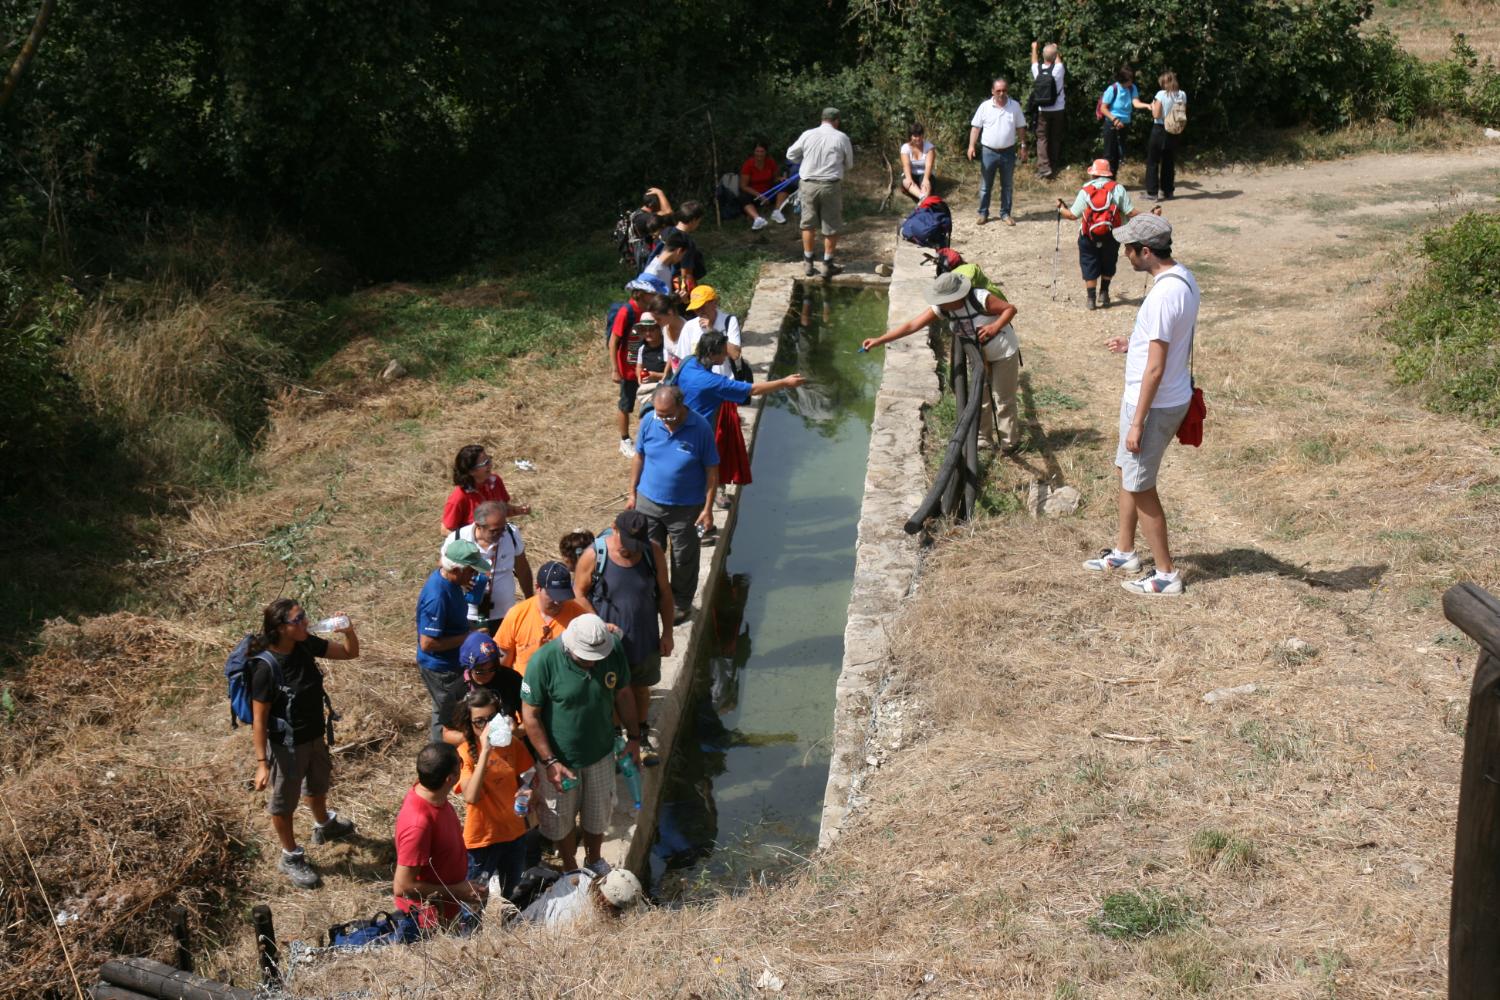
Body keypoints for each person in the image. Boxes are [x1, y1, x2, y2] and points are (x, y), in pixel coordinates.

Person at [1084, 214, 1198, 596]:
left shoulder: (1165, 295)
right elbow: (1165, 341)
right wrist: (1132, 343)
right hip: (1150, 401)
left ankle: (1166, 575)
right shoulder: (1181, 278)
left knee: (1142, 485)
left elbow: (1156, 368)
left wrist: (1137, 423)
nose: (1124, 254)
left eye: (1128, 249)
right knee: (1126, 472)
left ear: (1146, 252)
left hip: (1152, 406)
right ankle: (1125, 551)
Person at [248, 599, 360, 889]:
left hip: (314, 735)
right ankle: (290, 856)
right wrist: (262, 763)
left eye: (304, 616)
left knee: (318, 784)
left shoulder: (304, 643)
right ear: (281, 628)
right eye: (298, 620)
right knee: (284, 802)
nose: (305, 623)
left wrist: (348, 631)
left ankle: (324, 825)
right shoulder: (266, 668)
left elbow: (350, 653)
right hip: (286, 745)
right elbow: (259, 720)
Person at [520, 614, 642, 874]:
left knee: (598, 812)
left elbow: (622, 692)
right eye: (586, 657)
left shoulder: (613, 649)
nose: (592, 663)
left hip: (600, 753)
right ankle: (569, 865)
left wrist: (634, 737)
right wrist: (549, 761)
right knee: (559, 818)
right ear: (570, 646)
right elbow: (530, 716)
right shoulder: (543, 661)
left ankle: (594, 859)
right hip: (559, 759)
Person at [862, 271, 1022, 453]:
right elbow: (912, 325)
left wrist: (994, 327)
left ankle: (1010, 443)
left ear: (956, 296)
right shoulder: (944, 307)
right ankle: (983, 439)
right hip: (978, 355)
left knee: (1003, 398)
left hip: (1003, 351)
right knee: (981, 397)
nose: (939, 303)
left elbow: (1010, 309)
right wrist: (879, 340)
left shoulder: (979, 298)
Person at [572, 510, 673, 765]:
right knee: (613, 691)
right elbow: (579, 594)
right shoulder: (595, 555)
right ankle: (617, 739)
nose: (631, 550)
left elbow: (664, 593)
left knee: (640, 689)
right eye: (627, 544)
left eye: (636, 545)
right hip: (608, 644)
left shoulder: (653, 552)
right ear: (614, 529)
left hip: (645, 637)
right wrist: (598, 622)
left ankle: (641, 734)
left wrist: (668, 632)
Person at [677, 331, 806, 508]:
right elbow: (753, 390)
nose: (726, 355)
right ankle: (704, 514)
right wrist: (785, 382)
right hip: (700, 436)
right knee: (706, 470)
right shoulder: (713, 382)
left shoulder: (688, 363)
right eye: (723, 352)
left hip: (680, 427)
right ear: (711, 354)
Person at [629, 385, 719, 624]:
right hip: (648, 501)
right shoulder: (649, 421)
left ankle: (681, 602)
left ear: (681, 405)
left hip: (686, 508)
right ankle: (651, 596)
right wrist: (632, 493)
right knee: (647, 552)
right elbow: (639, 457)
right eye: (661, 414)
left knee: (684, 557)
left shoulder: (700, 428)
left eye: (669, 414)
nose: (665, 420)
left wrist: (707, 509)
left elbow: (711, 471)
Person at [393, 742, 486, 929]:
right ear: (450, 778)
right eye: (460, 762)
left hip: (448, 912)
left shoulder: (434, 797)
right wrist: (456, 892)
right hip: (429, 926)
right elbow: (402, 887)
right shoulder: (418, 824)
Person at [452, 688, 534, 900]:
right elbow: (470, 796)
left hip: (514, 834)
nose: (486, 726)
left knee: (513, 896)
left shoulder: (513, 745)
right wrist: (486, 750)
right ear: (469, 724)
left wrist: (528, 789)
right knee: (475, 900)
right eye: (479, 721)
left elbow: (528, 774)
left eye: (491, 718)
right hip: (483, 838)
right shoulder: (465, 753)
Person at [1056, 159, 1162, 310]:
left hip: (1088, 235)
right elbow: (1130, 212)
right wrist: (1149, 215)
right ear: (1108, 174)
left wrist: (1060, 207)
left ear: (1093, 174)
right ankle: (1104, 293)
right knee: (1109, 261)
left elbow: (1073, 215)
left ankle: (1091, 299)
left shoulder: (1086, 190)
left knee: (1089, 262)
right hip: (1113, 234)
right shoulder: (1117, 188)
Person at [417, 538, 489, 741]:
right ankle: (446, 759)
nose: (475, 575)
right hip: (442, 669)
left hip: (451, 661)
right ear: (456, 569)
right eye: (472, 571)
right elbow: (428, 643)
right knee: (451, 717)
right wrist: (468, 636)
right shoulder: (437, 597)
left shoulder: (453, 582)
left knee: (441, 710)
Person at [786, 107, 855, 277]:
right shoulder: (842, 138)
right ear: (837, 121)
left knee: (808, 223)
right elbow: (850, 164)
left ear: (822, 119)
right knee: (831, 225)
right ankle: (827, 264)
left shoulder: (808, 134)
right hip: (830, 185)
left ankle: (808, 262)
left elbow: (790, 154)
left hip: (808, 184)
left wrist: (803, 159)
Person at [444, 500, 530, 634]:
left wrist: (530, 601)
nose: (502, 534)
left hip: (505, 614)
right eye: (495, 531)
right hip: (468, 616)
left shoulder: (511, 533)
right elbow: (443, 569)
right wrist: (461, 583)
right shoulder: (457, 539)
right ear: (479, 526)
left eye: (503, 528)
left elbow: (523, 569)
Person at [495, 560, 585, 678]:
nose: (557, 602)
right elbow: (504, 661)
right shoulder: (516, 614)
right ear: (538, 587)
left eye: (562, 596)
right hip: (523, 689)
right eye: (552, 595)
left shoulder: (580, 617)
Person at [968, 78, 1028, 226]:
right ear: (992, 91)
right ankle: (983, 213)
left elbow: (1021, 127)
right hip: (989, 152)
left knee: (1007, 185)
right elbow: (976, 127)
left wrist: (1023, 146)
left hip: (1008, 152)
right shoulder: (985, 106)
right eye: (998, 90)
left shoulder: (1014, 106)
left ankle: (1005, 213)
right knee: (985, 185)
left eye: (1004, 90)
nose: (1002, 93)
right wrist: (971, 146)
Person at [442, 444, 528, 532]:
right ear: (471, 471)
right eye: (485, 463)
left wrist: (518, 510)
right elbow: (445, 529)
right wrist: (468, 542)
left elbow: (502, 509)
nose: (490, 464)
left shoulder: (495, 481)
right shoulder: (459, 497)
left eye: (489, 459)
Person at [519, 866, 643, 926]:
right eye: (618, 910)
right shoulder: (569, 920)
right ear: (602, 900)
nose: (621, 915)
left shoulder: (585, 875)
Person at [612, 305, 656, 459]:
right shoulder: (626, 311)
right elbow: (613, 341)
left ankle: (651, 438)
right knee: (626, 404)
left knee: (650, 405)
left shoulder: (651, 308)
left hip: (645, 366)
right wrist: (615, 369)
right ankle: (625, 440)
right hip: (628, 370)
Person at [675, 285, 743, 377]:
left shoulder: (729, 321)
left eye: (702, 307)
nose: (699, 312)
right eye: (696, 309)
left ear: (714, 303)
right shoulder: (689, 327)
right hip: (701, 383)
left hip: (726, 382)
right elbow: (683, 360)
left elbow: (735, 355)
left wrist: (712, 331)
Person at [1099, 65, 1150, 180]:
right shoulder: (1112, 89)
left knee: (1118, 154)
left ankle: (1113, 180)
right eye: (1129, 80)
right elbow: (1103, 108)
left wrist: (1147, 105)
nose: (1131, 82)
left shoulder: (1132, 88)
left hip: (1124, 125)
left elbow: (1136, 103)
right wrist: (1115, 120)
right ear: (1122, 79)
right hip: (1111, 124)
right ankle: (1105, 182)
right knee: (1109, 154)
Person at [1145, 71, 1187, 201]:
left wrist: (1152, 107)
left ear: (1163, 82)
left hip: (1160, 129)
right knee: (1169, 161)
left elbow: (1156, 115)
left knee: (1153, 161)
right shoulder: (1182, 94)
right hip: (1174, 130)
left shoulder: (1161, 95)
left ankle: (1152, 193)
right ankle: (1168, 191)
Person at [1030, 41, 1066, 179]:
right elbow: (1058, 61)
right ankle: (1054, 164)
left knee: (1042, 138)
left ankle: (1044, 168)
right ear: (1055, 55)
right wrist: (1055, 49)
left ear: (1043, 56)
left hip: (1042, 109)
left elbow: (1033, 60)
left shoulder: (1037, 70)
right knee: (1055, 137)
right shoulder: (1059, 69)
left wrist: (1034, 48)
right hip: (1058, 109)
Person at [739, 140, 790, 230]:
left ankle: (777, 212)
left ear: (766, 152)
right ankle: (757, 219)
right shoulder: (748, 164)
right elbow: (744, 186)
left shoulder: (770, 162)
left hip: (769, 192)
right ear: (754, 152)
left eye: (762, 151)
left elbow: (775, 177)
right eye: (757, 151)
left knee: (784, 185)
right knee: (743, 197)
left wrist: (780, 179)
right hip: (754, 194)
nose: (759, 154)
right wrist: (759, 195)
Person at [640, 229, 692, 305]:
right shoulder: (653, 272)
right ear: (679, 251)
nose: (681, 260)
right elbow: (650, 306)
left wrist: (675, 298)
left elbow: (660, 299)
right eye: (683, 256)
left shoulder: (665, 267)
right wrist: (676, 299)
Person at [899, 123, 935, 202]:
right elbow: (906, 165)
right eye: (915, 136)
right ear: (910, 136)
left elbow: (929, 165)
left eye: (920, 135)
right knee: (906, 181)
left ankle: (923, 200)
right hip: (911, 173)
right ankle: (922, 197)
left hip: (925, 173)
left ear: (922, 135)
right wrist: (909, 178)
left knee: (926, 185)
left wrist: (926, 179)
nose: (918, 138)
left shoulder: (929, 147)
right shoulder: (905, 148)